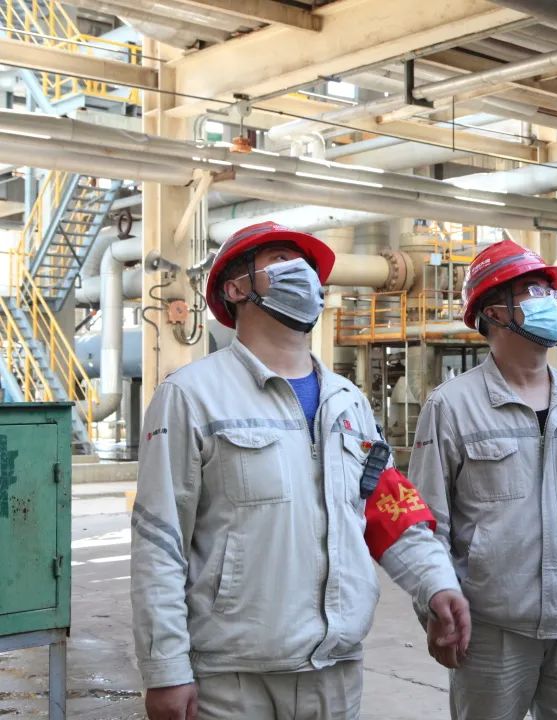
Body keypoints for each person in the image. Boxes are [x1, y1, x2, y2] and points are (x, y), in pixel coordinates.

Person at [131, 221, 469, 720]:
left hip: (335, 672)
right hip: (232, 680)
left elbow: (388, 508)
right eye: (281, 261)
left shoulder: (348, 402)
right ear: (236, 289)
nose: (303, 274)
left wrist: (436, 582)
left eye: (307, 266)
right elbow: (160, 540)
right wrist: (165, 669)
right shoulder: (191, 395)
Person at [408, 239, 557, 720]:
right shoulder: (452, 406)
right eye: (533, 291)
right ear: (494, 312)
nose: (549, 301)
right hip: (489, 632)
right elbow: (425, 522)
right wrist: (435, 607)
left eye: (549, 292)